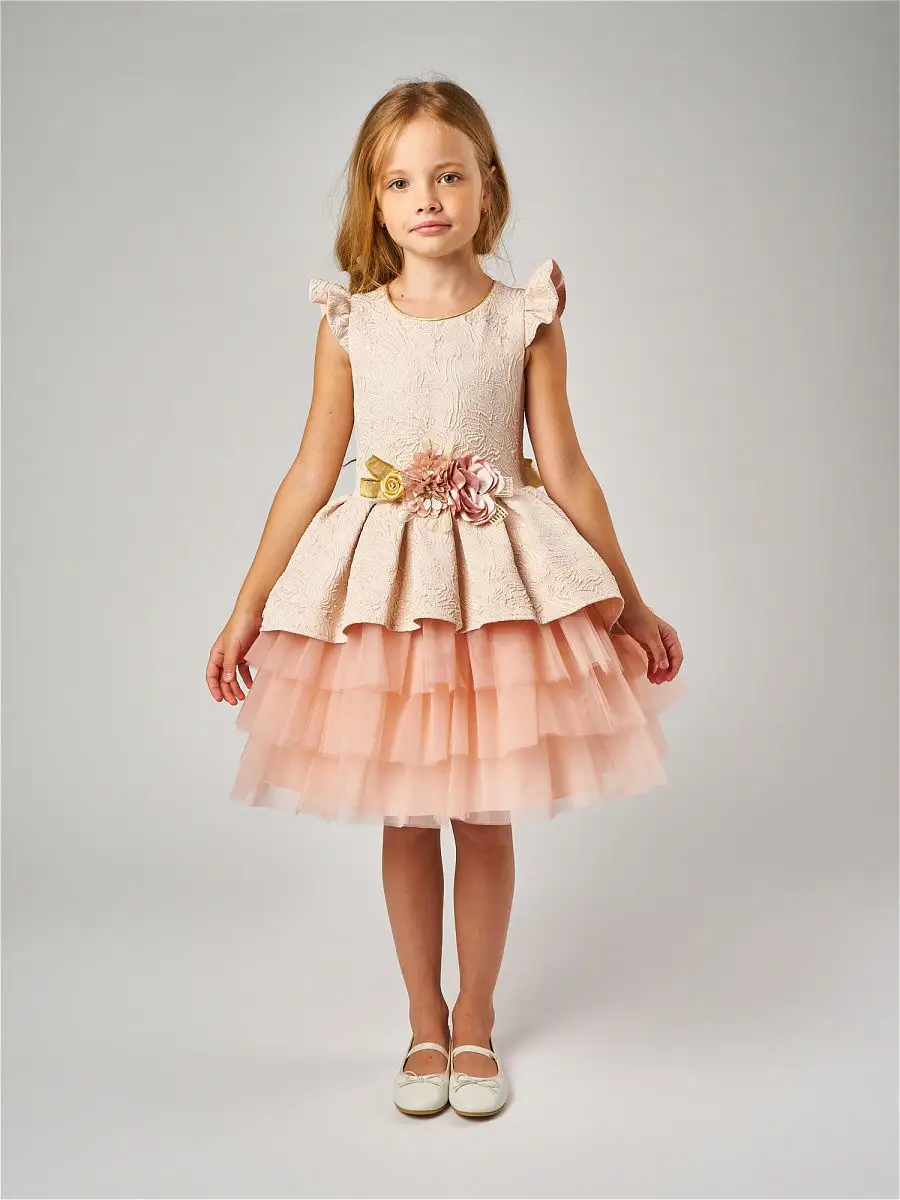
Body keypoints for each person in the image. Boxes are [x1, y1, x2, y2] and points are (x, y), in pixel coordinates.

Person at [205, 76, 686, 1120]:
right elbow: (312, 467)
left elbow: (567, 468)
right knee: (409, 814)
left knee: (485, 813)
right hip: (391, 599)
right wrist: (249, 606)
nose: (426, 198)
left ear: (486, 186)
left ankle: (477, 1018)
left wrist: (633, 602)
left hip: (496, 594)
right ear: (375, 203)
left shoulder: (525, 318)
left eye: (449, 176)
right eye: (400, 182)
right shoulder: (352, 324)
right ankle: (423, 1021)